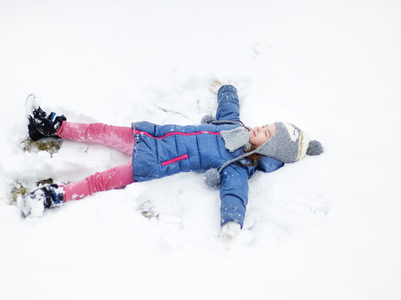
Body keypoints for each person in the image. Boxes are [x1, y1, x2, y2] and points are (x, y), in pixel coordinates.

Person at [21, 81, 323, 241]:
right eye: (267, 125)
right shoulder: (234, 127)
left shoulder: (238, 166)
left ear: (268, 149)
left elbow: (234, 194)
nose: (260, 128)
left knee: (101, 181)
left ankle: (54, 196)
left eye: (266, 134)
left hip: (152, 164)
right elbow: (228, 107)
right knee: (100, 131)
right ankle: (52, 127)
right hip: (150, 136)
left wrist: (232, 221)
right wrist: (227, 89)